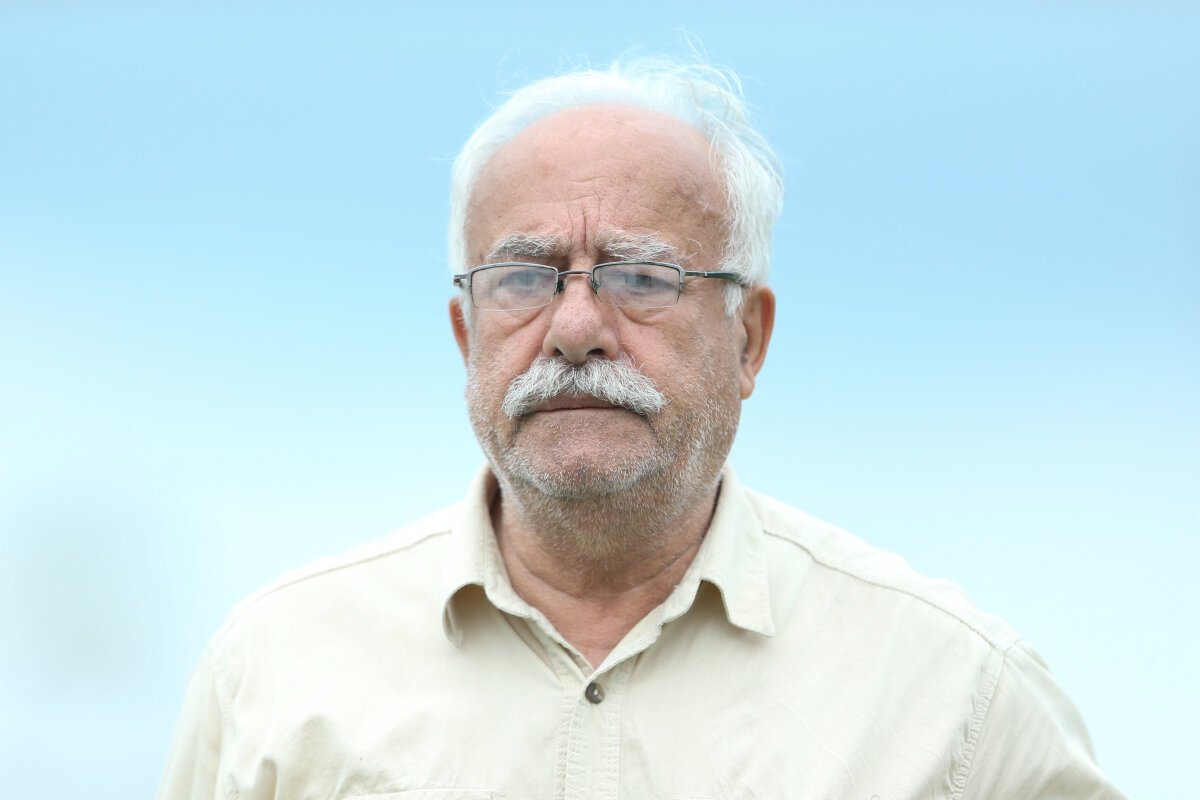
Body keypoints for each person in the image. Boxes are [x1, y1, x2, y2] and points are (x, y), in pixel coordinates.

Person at [158, 57, 1125, 799]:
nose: (575, 328)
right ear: (465, 335)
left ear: (747, 339)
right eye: (524, 277)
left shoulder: (952, 700)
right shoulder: (275, 672)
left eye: (640, 276)